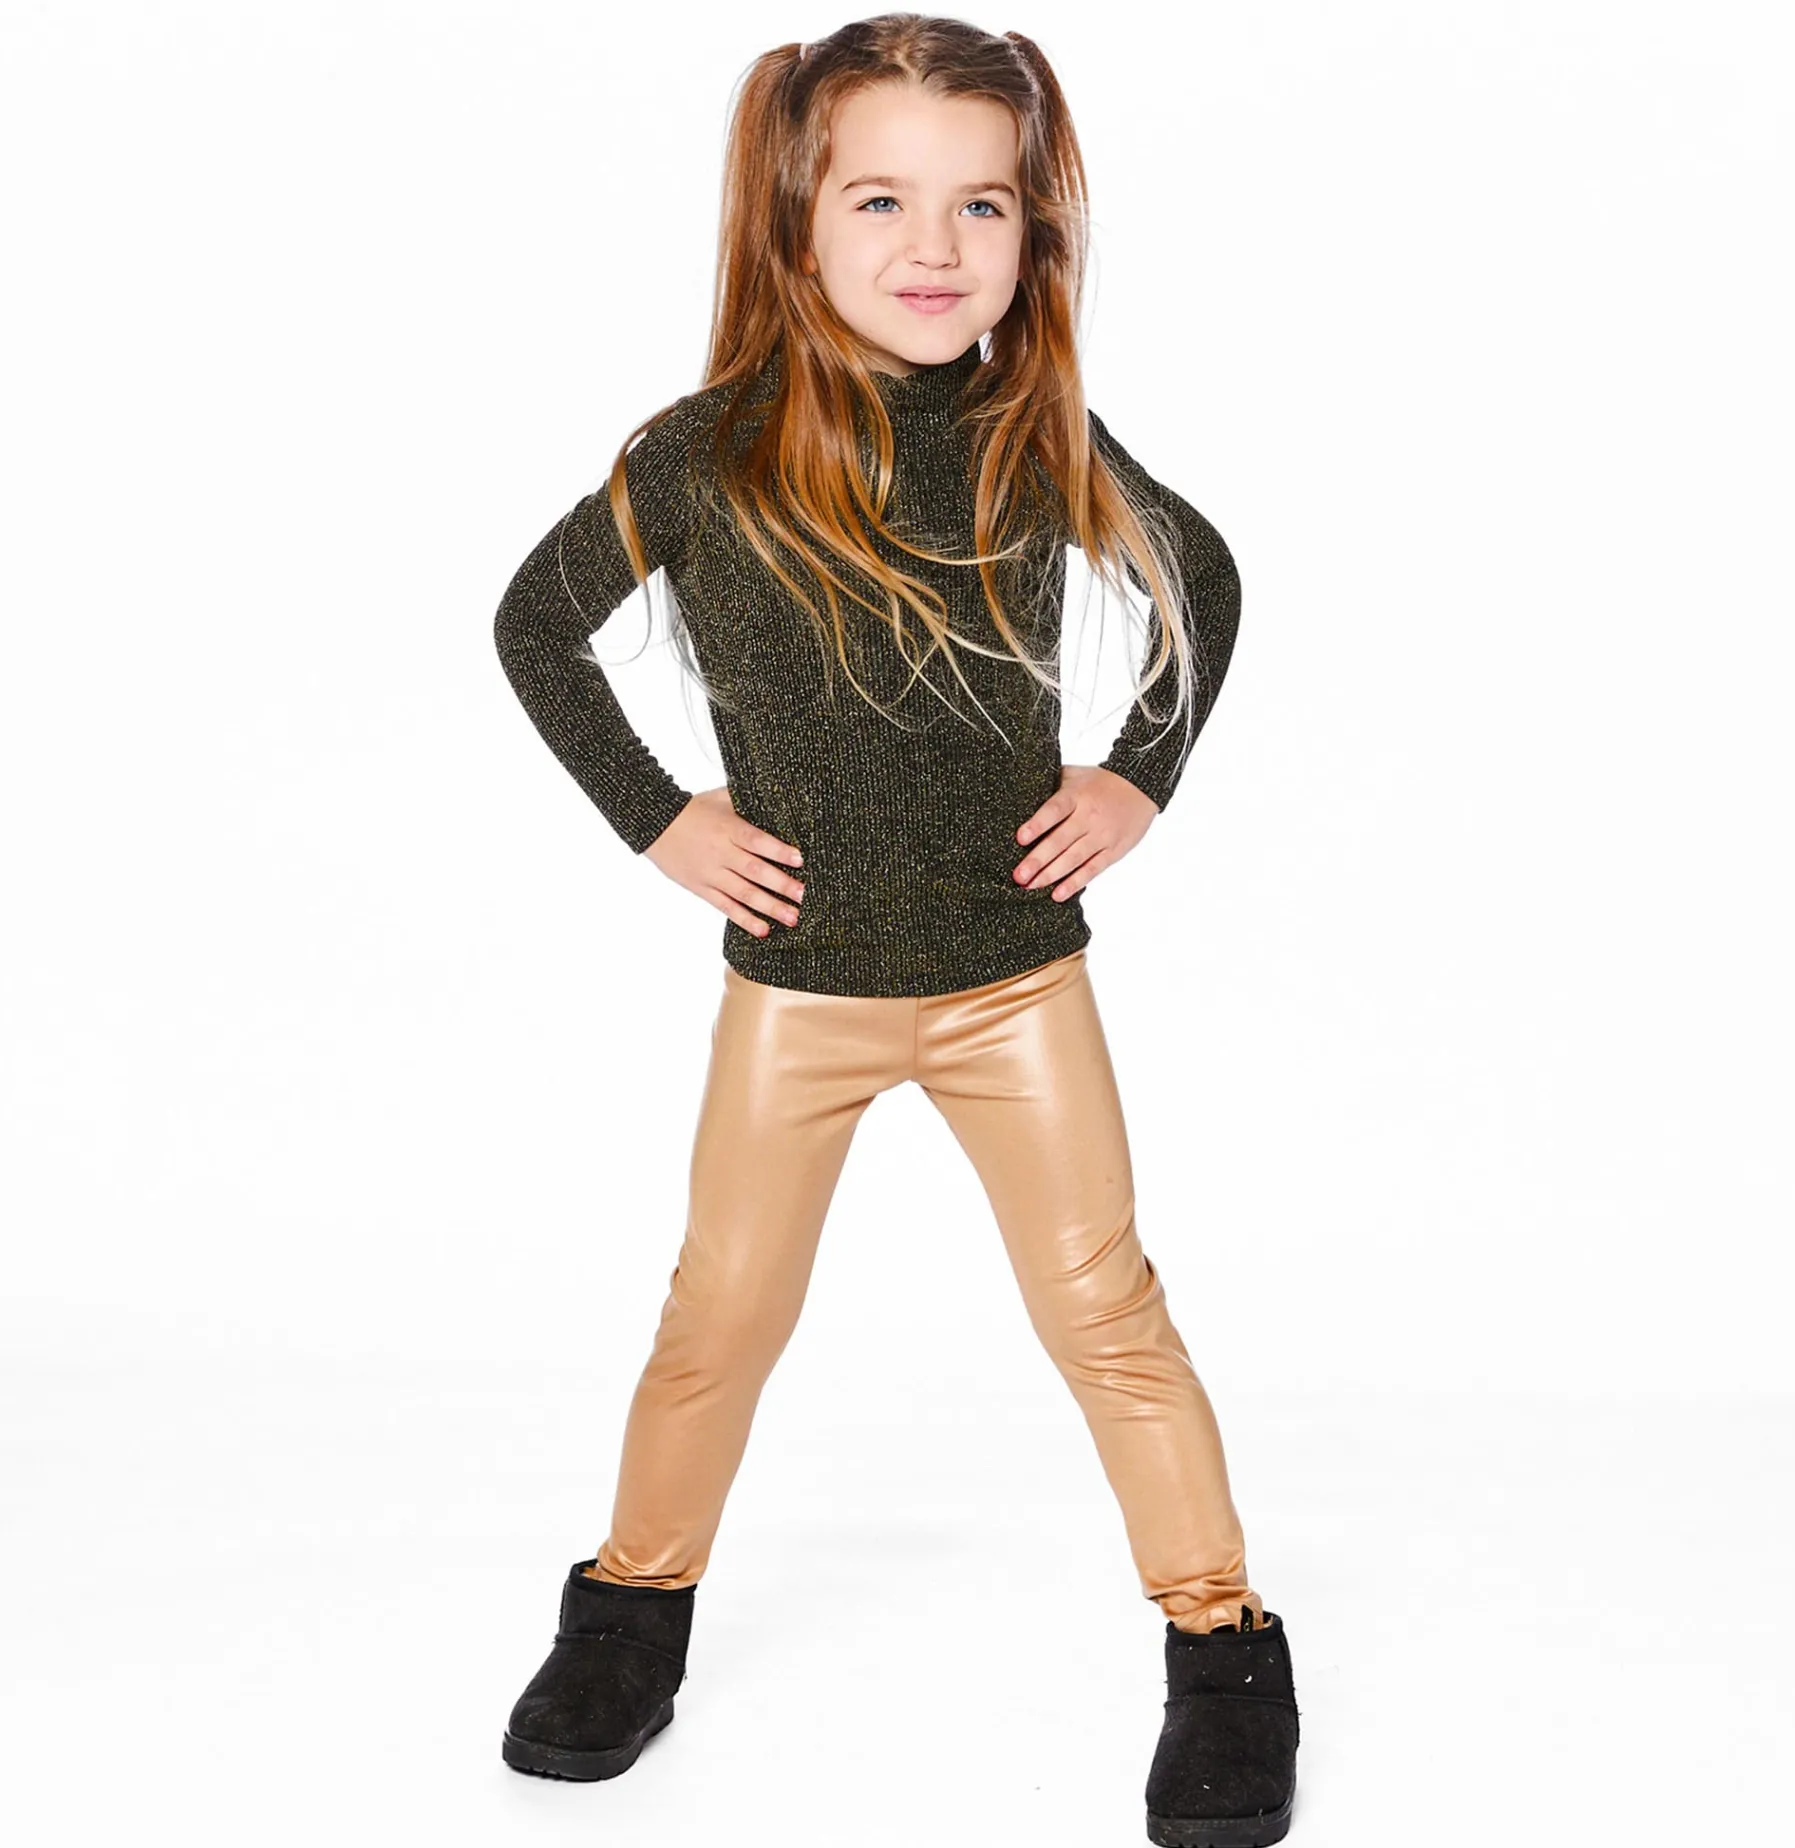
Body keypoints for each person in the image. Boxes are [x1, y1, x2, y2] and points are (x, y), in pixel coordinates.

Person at [490, 13, 1299, 1843]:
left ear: (1030, 233)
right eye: (880, 200)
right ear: (795, 220)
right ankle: (629, 1612)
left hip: (1016, 989)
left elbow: (1200, 574)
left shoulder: (1031, 434)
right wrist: (661, 818)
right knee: (719, 1315)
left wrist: (1138, 776)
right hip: (801, 995)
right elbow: (537, 624)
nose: (934, 246)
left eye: (980, 206)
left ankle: (1223, 1642)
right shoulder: (706, 454)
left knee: (1108, 1311)